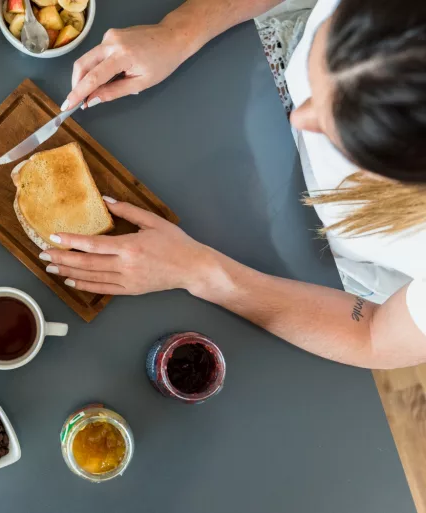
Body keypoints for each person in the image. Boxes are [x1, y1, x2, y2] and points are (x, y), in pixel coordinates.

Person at [42, 0, 426, 369]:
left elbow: (374, 336)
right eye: (318, 70)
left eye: (335, 128)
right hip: (250, 69)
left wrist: (198, 271)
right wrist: (180, 31)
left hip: (311, 259)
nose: (299, 118)